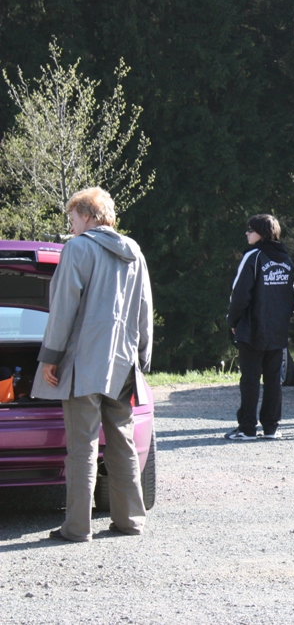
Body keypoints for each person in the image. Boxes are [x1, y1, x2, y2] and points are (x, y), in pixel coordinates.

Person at [34, 187, 153, 542]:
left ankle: (76, 527)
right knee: (122, 442)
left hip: (83, 364)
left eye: (72, 219)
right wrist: (142, 357)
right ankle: (130, 521)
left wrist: (50, 357)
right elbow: (145, 308)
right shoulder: (134, 250)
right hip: (122, 364)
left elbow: (63, 309)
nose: (70, 227)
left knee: (82, 447)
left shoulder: (77, 249)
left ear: (87, 216)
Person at [225, 214, 294, 440]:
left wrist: (233, 321)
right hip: (277, 329)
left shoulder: (253, 256)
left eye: (251, 229)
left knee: (250, 379)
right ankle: (271, 427)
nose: (246, 233)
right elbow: (290, 295)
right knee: (273, 380)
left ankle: (247, 428)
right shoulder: (286, 259)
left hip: (253, 328)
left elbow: (239, 294)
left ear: (262, 233)